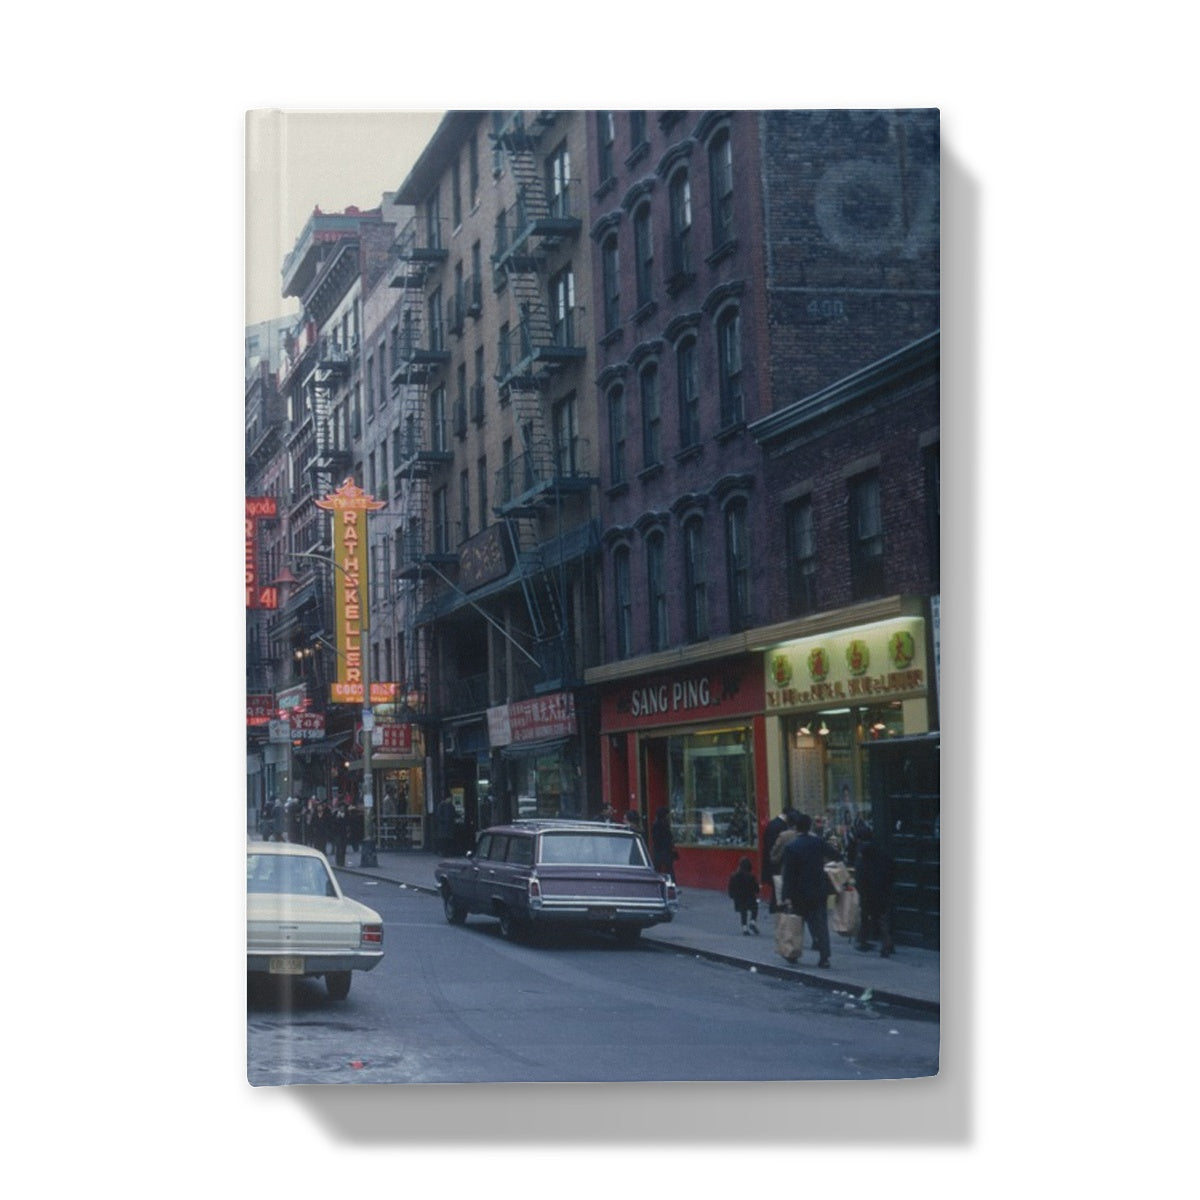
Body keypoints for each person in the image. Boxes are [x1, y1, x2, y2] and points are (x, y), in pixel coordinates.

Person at [780, 813, 836, 969]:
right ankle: (824, 957)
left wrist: (785, 895)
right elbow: (835, 855)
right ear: (809, 827)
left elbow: (788, 874)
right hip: (818, 890)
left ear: (796, 828)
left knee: (797, 924)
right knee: (821, 925)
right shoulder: (818, 842)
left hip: (799, 892)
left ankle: (793, 953)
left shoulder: (791, 847)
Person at [853, 824, 896, 957]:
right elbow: (891, 867)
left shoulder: (861, 853)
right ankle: (887, 944)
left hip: (868, 889)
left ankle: (864, 941)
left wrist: (859, 887)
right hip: (882, 888)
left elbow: (860, 873)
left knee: (866, 916)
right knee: (882, 918)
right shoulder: (881, 850)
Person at [761, 809, 789, 911]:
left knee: (776, 887)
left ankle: (776, 907)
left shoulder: (774, 824)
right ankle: (776, 908)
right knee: (778, 887)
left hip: (772, 862)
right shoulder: (780, 826)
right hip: (777, 862)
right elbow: (775, 847)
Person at [727, 856, 760, 935]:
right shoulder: (751, 877)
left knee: (743, 912)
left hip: (739, 898)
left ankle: (744, 929)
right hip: (750, 898)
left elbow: (730, 887)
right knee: (754, 908)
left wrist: (732, 896)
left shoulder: (734, 876)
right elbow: (756, 889)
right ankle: (752, 922)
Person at [650, 807, 676, 880]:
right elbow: (658, 838)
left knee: (662, 868)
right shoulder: (660, 825)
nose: (669, 816)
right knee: (667, 869)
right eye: (667, 815)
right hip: (662, 850)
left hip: (661, 850)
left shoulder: (660, 824)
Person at [331, 801, 349, 867]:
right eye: (341, 807)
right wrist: (337, 817)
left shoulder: (347, 814)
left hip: (344, 833)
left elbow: (349, 823)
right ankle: (338, 861)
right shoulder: (335, 814)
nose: (342, 809)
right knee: (338, 847)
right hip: (337, 834)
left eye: (343, 808)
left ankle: (342, 862)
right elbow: (332, 823)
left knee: (343, 848)